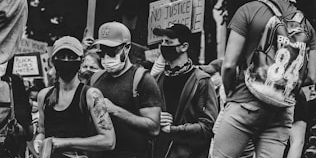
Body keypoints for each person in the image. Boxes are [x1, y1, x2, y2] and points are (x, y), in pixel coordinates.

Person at [212, 0, 316, 158]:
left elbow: (228, 65)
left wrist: (230, 94)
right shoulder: (305, 24)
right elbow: (312, 76)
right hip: (282, 108)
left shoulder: (248, 11)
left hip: (245, 101)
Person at [34, 36, 115, 158]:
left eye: (72, 57)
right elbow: (42, 131)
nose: (66, 61)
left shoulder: (91, 95)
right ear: (52, 60)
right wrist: (38, 141)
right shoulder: (44, 96)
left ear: (81, 61)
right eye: (61, 56)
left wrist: (63, 143)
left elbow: (109, 141)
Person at [90, 21, 162, 158]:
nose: (106, 57)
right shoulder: (96, 78)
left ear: (127, 48)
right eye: (102, 52)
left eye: (111, 51)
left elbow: (154, 128)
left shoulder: (142, 79)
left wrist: (115, 110)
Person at [152, 24, 218, 158]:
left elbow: (207, 127)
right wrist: (154, 118)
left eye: (169, 42)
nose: (163, 46)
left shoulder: (201, 81)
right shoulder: (155, 79)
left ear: (184, 47)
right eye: (162, 42)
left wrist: (172, 130)